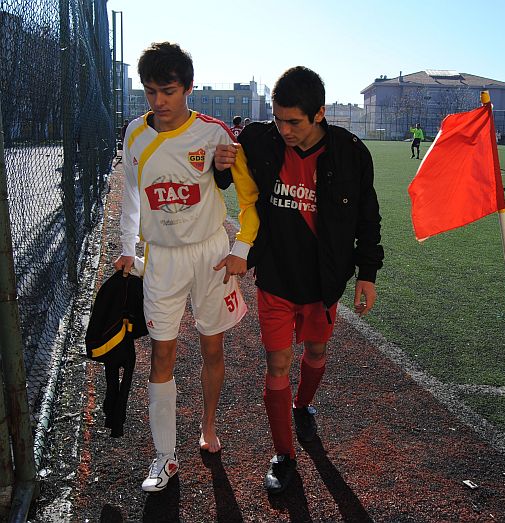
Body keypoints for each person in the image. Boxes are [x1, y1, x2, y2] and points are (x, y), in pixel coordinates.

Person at [215, 66, 383, 495]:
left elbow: (368, 218)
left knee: (316, 350)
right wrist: (221, 166)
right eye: (278, 118)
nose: (284, 129)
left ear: (320, 114)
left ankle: (303, 406)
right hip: (274, 278)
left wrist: (367, 274)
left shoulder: (350, 153)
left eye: (294, 121)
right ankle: (283, 454)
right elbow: (225, 178)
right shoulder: (258, 139)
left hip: (323, 283)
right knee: (276, 364)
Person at [114, 42, 259, 493]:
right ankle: (164, 456)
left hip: (211, 254)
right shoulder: (135, 135)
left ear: (189, 89)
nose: (159, 102)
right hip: (163, 260)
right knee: (162, 353)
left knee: (212, 349)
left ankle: (209, 427)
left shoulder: (216, 135)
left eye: (169, 91)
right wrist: (125, 246)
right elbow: (132, 197)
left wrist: (243, 247)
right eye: (151, 92)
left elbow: (249, 200)